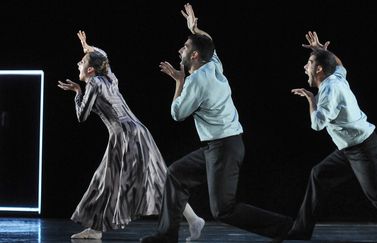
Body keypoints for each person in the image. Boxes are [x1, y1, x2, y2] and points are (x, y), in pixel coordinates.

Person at [139, 3, 292, 243]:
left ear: (195, 56)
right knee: (176, 174)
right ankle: (166, 235)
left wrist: (178, 81)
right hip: (219, 145)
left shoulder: (197, 81)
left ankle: (282, 227)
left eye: (185, 47)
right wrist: (196, 29)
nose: (180, 50)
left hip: (224, 147)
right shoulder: (213, 64)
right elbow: (210, 44)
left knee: (223, 209)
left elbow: (177, 114)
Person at [57, 31, 205, 241]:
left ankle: (193, 219)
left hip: (126, 135)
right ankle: (193, 219)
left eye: (82, 62)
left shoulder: (94, 83)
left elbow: (82, 116)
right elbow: (104, 56)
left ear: (90, 70)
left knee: (116, 181)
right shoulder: (109, 77)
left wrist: (77, 93)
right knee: (134, 179)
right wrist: (88, 47)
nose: (78, 64)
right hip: (136, 132)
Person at [285, 31, 377, 240]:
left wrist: (310, 98)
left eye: (309, 63)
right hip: (350, 148)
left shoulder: (329, 91)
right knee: (318, 174)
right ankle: (300, 231)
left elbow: (317, 124)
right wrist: (322, 51)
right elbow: (340, 66)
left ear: (318, 69)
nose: (305, 67)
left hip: (364, 149)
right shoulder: (335, 76)